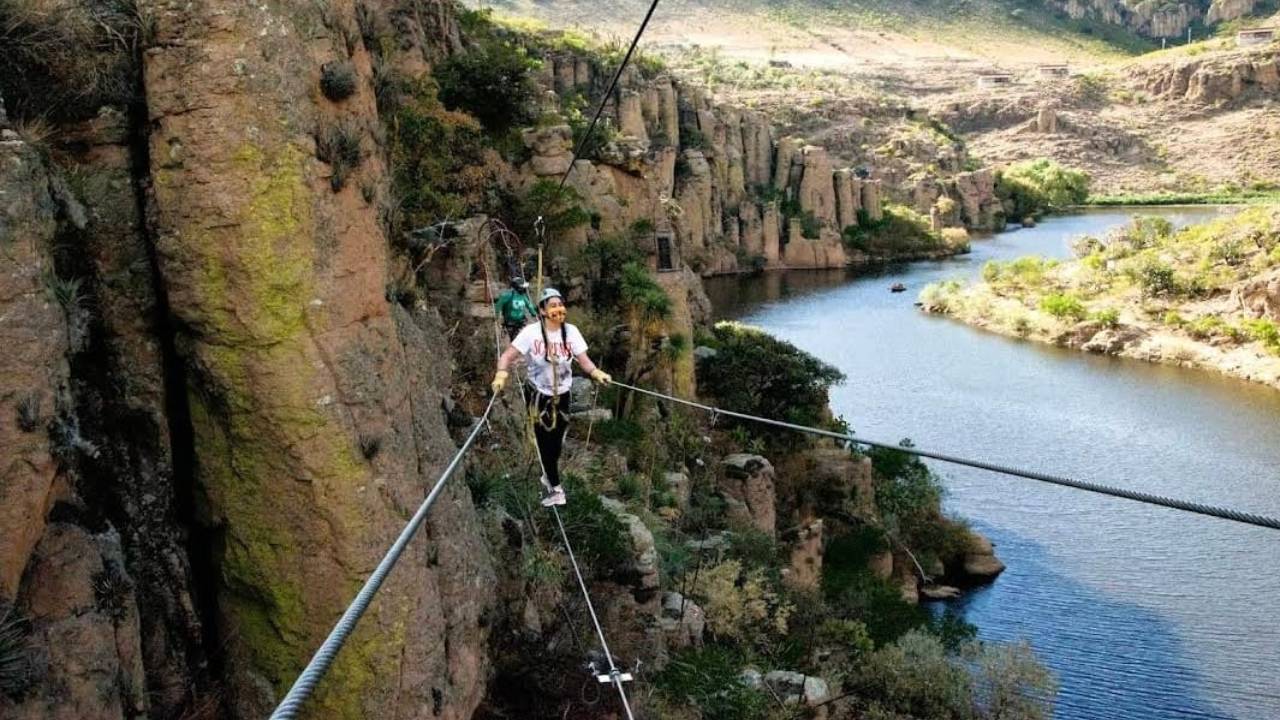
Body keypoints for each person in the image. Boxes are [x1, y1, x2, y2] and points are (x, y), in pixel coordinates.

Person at [491, 288, 611, 506]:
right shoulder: (530, 333)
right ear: (543, 311)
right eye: (553, 305)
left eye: (560, 304)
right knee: (545, 441)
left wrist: (596, 373)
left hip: (562, 394)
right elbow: (508, 356)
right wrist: (501, 374)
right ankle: (555, 489)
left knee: (556, 443)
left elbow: (583, 360)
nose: (558, 309)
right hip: (538, 394)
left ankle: (549, 476)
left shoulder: (571, 332)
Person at [494, 276, 538, 341]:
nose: (525, 289)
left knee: (523, 339)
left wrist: (534, 313)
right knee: (513, 340)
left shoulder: (523, 296)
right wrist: (497, 318)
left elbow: (529, 305)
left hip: (521, 321)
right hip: (510, 323)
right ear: (518, 287)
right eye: (523, 287)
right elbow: (498, 307)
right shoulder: (507, 296)